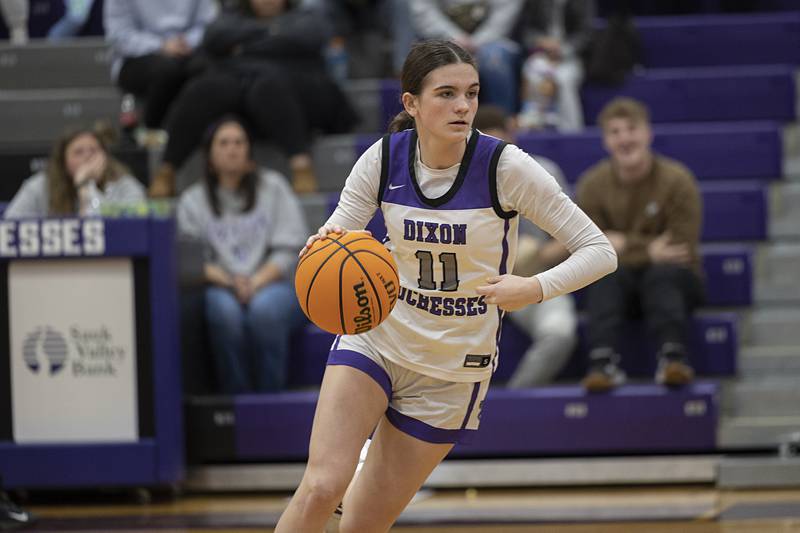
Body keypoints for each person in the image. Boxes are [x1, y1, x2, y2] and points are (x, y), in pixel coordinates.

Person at [274, 39, 616, 532]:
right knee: (322, 487)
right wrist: (320, 249)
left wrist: (532, 288)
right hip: (378, 339)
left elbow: (599, 250)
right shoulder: (385, 158)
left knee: (361, 525)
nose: (463, 106)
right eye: (447, 94)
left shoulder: (506, 167)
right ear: (411, 103)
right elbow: (340, 234)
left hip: (452, 369)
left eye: (472, 93)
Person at [149, 0, 359, 197]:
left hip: (296, 92)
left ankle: (301, 163)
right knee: (206, 88)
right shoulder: (232, 15)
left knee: (267, 87)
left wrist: (243, 47)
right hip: (241, 91)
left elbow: (309, 37)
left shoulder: (306, 14)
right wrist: (271, 32)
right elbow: (213, 36)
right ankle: (168, 168)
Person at [576, 97, 704, 392]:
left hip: (676, 279)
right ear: (606, 141)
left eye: (631, 129)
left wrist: (623, 245)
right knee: (606, 276)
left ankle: (673, 358)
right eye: (615, 132)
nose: (625, 139)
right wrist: (649, 249)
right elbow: (590, 249)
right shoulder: (591, 184)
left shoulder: (678, 179)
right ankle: (602, 363)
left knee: (663, 274)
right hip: (619, 282)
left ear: (648, 133)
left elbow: (680, 246)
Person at [176, 115, 308, 394]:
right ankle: (236, 399)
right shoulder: (192, 200)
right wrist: (231, 282)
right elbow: (193, 261)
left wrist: (256, 282)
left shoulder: (274, 187)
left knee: (265, 312)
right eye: (223, 143)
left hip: (275, 283)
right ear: (210, 156)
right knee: (224, 313)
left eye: (239, 142)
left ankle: (269, 399)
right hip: (220, 285)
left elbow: (290, 249)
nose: (232, 148)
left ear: (249, 152)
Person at [473, 105, 578, 387]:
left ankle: (510, 403)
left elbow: (571, 240)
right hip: (473, 285)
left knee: (559, 333)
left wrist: (537, 255)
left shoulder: (544, 171)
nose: (497, 156)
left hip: (531, 281)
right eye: (488, 147)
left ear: (513, 136)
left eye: (502, 146)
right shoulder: (459, 182)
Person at [103, 0, 219, 131]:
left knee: (209, 69)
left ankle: (203, 135)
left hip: (188, 49)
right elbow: (119, 35)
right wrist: (161, 45)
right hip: (135, 56)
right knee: (166, 71)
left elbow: (208, 23)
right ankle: (153, 132)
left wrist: (187, 42)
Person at [408, 0, 525, 115]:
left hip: (493, 40)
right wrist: (455, 38)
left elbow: (502, 18)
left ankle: (500, 123)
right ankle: (434, 122)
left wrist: (475, 42)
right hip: (438, 37)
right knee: (434, 58)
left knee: (495, 60)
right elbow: (424, 12)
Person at [4, 126, 145, 218]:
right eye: (78, 152)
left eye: (94, 150)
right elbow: (11, 223)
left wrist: (85, 185)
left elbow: (136, 223)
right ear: (63, 162)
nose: (88, 156)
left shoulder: (124, 183)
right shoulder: (40, 186)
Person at [517, 0, 595, 131]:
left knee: (563, 79)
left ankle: (571, 131)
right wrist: (540, 41)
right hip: (542, 54)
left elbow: (585, 35)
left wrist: (562, 50)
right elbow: (525, 33)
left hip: (570, 57)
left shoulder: (583, 3)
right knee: (532, 72)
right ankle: (535, 129)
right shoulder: (536, 3)